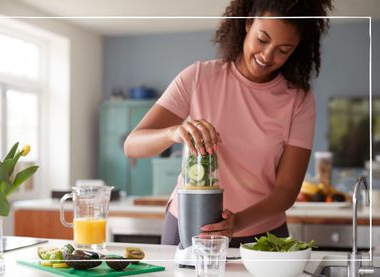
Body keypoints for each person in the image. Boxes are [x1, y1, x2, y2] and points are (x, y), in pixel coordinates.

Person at [124, 0, 333, 247]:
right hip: (191, 226)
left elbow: (287, 190)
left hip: (263, 236)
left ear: (296, 49)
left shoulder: (299, 100)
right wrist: (173, 132)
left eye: (283, 50)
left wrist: (238, 222)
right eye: (262, 40)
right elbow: (132, 145)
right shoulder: (198, 77)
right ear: (247, 24)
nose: (267, 56)